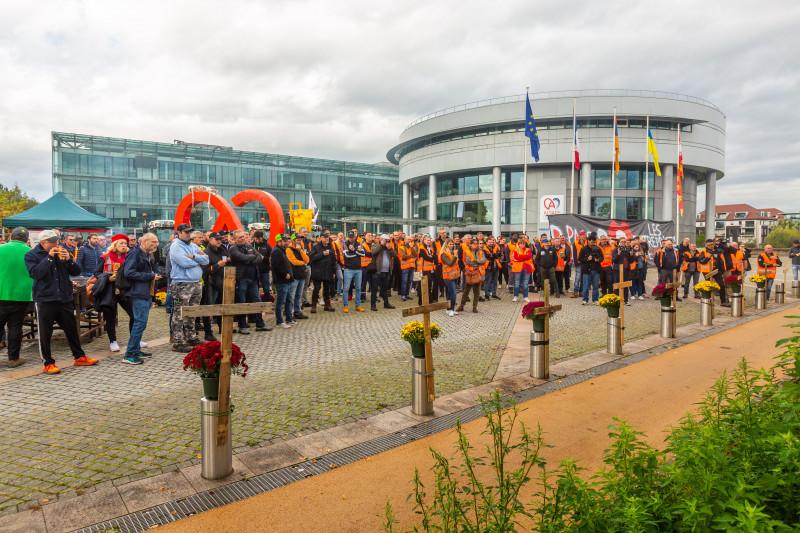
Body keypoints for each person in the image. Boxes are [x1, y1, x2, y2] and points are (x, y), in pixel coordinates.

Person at [25, 229, 98, 374]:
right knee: (45, 333)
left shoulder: (62, 251)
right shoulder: (31, 255)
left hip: (64, 298)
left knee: (71, 329)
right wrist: (50, 258)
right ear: (43, 242)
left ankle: (79, 357)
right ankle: (48, 363)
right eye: (53, 242)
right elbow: (36, 274)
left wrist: (69, 260)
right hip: (45, 299)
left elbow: (76, 271)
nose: (56, 244)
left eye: (57, 241)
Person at [168, 224, 209, 352]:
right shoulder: (175, 246)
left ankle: (191, 337)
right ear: (179, 232)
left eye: (190, 232)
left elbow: (207, 260)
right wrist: (198, 261)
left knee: (192, 311)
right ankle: (178, 341)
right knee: (180, 312)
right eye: (186, 232)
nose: (188, 234)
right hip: (182, 283)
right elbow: (184, 263)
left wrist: (195, 257)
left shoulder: (193, 246)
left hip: (196, 283)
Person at [122, 233, 160, 365]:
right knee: (140, 323)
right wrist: (149, 276)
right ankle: (130, 354)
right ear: (144, 241)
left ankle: (136, 349)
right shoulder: (135, 253)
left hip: (146, 292)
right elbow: (129, 272)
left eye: (156, 242)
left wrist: (154, 274)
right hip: (137, 292)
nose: (155, 244)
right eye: (153, 242)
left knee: (141, 323)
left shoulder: (148, 253)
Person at [0, 227, 33, 367]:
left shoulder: (1, 249)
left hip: (1, 293)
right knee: (15, 327)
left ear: (11, 236)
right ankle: (13, 359)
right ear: (26, 239)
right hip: (21, 295)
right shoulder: (30, 252)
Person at [96, 234, 134, 353]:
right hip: (109, 289)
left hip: (124, 289)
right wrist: (108, 278)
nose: (124, 246)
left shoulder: (129, 257)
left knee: (134, 314)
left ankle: (134, 339)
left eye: (125, 244)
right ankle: (113, 341)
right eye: (121, 243)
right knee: (110, 317)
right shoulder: (105, 257)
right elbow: (96, 273)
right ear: (115, 245)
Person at [230, 229, 271, 333]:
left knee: (257, 301)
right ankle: (242, 326)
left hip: (253, 279)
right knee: (242, 303)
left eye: (243, 236)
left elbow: (260, 258)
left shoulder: (249, 246)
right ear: (235, 239)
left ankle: (260, 324)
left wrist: (249, 259)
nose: (243, 238)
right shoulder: (233, 248)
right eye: (240, 237)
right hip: (241, 279)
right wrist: (251, 258)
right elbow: (242, 257)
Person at [271, 234, 295, 328]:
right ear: (279, 242)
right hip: (281, 280)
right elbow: (276, 266)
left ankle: (289, 319)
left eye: (286, 241)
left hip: (287, 280)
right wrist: (285, 274)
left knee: (289, 300)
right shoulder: (276, 251)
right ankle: (279, 321)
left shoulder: (282, 250)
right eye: (284, 241)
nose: (286, 242)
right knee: (281, 301)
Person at [309, 232, 336, 313]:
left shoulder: (330, 246)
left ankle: (327, 305)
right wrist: (322, 254)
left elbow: (333, 260)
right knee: (316, 289)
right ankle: (313, 306)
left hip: (328, 272)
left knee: (327, 289)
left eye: (328, 237)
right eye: (325, 237)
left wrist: (333, 272)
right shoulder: (316, 247)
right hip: (317, 272)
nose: (327, 239)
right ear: (321, 238)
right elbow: (312, 258)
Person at [457, 240, 487, 314]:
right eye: (474, 244)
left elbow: (484, 260)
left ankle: (474, 307)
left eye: (477, 244)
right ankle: (461, 306)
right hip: (469, 273)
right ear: (470, 245)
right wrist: (477, 262)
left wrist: (475, 261)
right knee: (466, 291)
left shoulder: (481, 252)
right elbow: (467, 261)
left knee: (477, 292)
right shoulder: (466, 251)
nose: (476, 245)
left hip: (478, 273)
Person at [369, 234, 396, 311]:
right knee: (374, 289)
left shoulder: (388, 247)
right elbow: (373, 252)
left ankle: (386, 303)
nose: (386, 241)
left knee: (385, 289)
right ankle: (373, 305)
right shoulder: (376, 245)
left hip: (386, 271)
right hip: (377, 271)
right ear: (381, 239)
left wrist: (390, 249)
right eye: (385, 240)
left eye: (387, 240)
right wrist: (381, 245)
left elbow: (395, 255)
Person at [287, 234, 310, 321]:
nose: (299, 241)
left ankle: (298, 312)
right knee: (291, 296)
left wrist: (300, 251)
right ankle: (290, 312)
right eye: (297, 239)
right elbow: (294, 262)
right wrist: (303, 263)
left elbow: (307, 259)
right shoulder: (289, 249)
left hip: (301, 275)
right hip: (294, 276)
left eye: (300, 239)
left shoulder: (300, 249)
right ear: (293, 240)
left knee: (298, 295)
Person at [341, 230, 365, 313]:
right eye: (350, 237)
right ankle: (345, 305)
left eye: (352, 237)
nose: (351, 239)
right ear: (348, 237)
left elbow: (363, 254)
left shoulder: (359, 243)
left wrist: (354, 250)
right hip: (348, 269)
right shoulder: (344, 243)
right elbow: (347, 255)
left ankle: (358, 305)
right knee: (346, 288)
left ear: (355, 237)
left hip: (358, 269)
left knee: (358, 288)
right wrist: (357, 252)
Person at [579, 233, 604, 305]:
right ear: (588, 241)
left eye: (594, 241)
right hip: (587, 270)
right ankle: (585, 299)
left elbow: (602, 257)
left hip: (596, 270)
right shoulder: (583, 249)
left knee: (595, 286)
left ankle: (595, 299)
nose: (593, 243)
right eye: (591, 241)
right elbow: (580, 259)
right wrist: (587, 259)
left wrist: (598, 260)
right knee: (586, 286)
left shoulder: (598, 248)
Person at [439, 240, 460, 316]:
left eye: (452, 244)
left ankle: (448, 309)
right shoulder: (443, 254)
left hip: (454, 275)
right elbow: (450, 263)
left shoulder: (451, 253)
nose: (452, 245)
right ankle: (452, 309)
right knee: (453, 293)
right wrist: (455, 255)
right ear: (446, 245)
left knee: (448, 292)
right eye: (450, 244)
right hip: (447, 276)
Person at [252, 230, 272, 302]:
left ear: (261, 238)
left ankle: (267, 303)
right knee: (255, 288)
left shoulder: (267, 245)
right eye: (256, 238)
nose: (257, 240)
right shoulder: (251, 245)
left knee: (266, 288)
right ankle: (257, 304)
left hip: (264, 270)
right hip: (254, 271)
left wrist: (263, 258)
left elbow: (271, 258)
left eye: (258, 239)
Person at [417, 235, 437, 305]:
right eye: (427, 240)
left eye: (429, 240)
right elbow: (427, 258)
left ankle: (428, 300)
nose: (429, 241)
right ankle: (421, 301)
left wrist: (431, 257)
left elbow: (434, 256)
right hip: (422, 270)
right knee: (421, 286)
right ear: (424, 240)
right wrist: (431, 257)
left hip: (429, 270)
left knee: (428, 286)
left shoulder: (430, 248)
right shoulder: (421, 247)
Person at [398, 235, 417, 301]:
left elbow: (416, 255)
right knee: (404, 281)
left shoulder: (411, 247)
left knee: (409, 281)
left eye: (410, 239)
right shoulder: (401, 247)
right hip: (405, 267)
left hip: (412, 266)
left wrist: (412, 248)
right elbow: (403, 257)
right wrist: (411, 256)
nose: (409, 241)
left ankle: (407, 294)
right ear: (405, 240)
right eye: (408, 239)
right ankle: (403, 295)